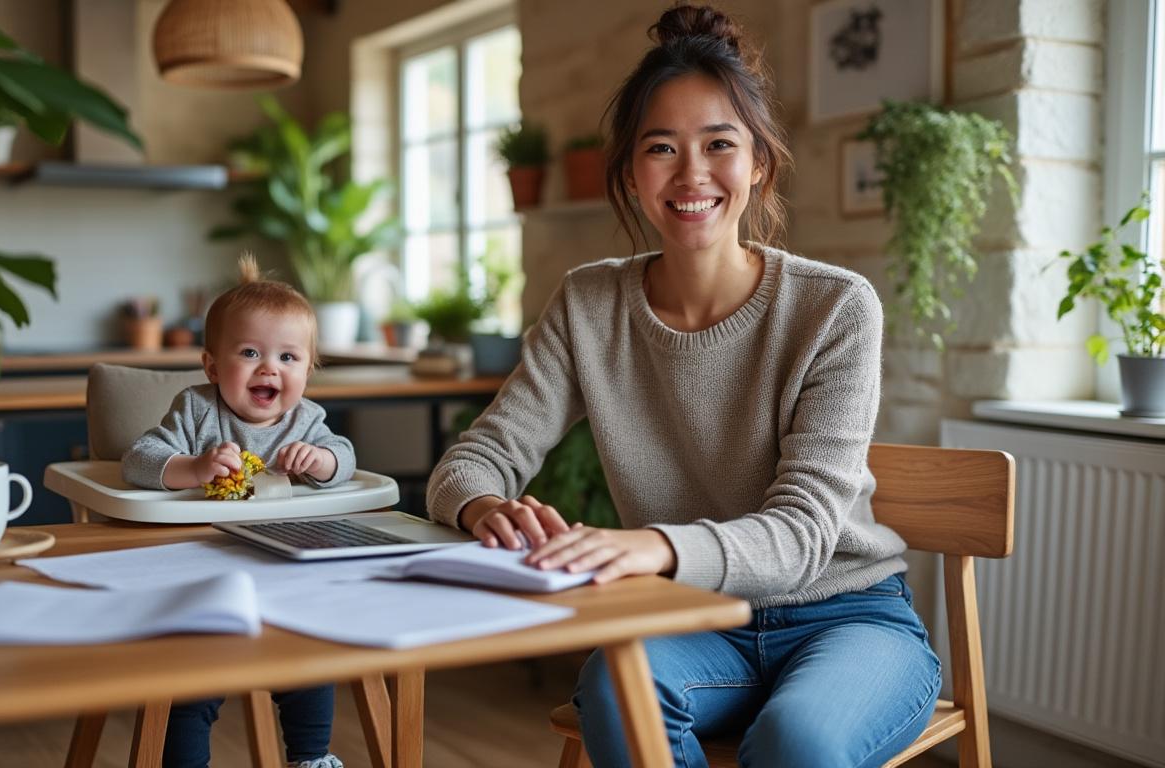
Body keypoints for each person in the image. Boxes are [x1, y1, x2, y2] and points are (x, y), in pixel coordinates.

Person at [424, 5, 940, 767]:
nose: (692, 174)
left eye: (720, 145)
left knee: (797, 741)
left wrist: (647, 546)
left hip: (847, 618)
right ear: (632, 173)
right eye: (661, 148)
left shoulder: (834, 306)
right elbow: (472, 461)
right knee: (613, 690)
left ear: (759, 162)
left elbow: (801, 537)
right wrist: (485, 505)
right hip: (696, 624)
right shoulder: (589, 304)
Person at [123, 252, 351, 768]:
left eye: (289, 358)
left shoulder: (307, 420)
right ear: (211, 365)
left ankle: (311, 759)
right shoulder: (197, 410)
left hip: (285, 575)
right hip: (197, 573)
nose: (270, 368)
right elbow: (139, 460)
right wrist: (193, 467)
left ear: (308, 370)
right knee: (191, 689)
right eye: (250, 352)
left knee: (311, 664)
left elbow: (347, 461)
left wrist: (320, 461)